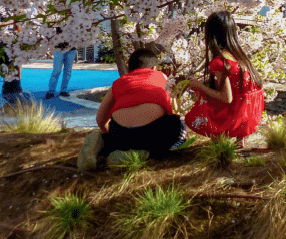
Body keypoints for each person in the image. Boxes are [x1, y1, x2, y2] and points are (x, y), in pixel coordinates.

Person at [78, 48, 186, 171]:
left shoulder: (118, 83)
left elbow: (100, 119)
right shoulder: (162, 77)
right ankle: (143, 155)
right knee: (177, 126)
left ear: (128, 70)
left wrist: (107, 134)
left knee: (113, 137)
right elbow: (173, 109)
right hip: (151, 135)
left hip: (121, 134)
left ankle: (102, 143)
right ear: (154, 69)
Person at [184, 10, 265, 147]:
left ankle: (219, 138)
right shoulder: (240, 56)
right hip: (251, 112)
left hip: (236, 114)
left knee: (202, 98)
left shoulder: (220, 62)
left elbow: (227, 98)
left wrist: (199, 86)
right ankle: (240, 139)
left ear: (210, 34)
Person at [45, 28, 78, 99]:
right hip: (58, 49)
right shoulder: (57, 19)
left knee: (68, 71)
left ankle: (63, 90)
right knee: (56, 70)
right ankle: (51, 91)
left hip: (71, 49)